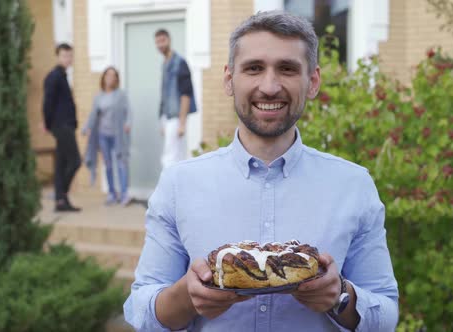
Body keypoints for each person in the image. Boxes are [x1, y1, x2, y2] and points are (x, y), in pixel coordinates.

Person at [124, 11, 399, 331]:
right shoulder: (179, 184)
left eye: (287, 69)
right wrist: (186, 296)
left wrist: (339, 296)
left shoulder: (354, 185)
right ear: (229, 79)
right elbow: (141, 311)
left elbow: (386, 314)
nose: (269, 87)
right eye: (254, 68)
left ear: (312, 82)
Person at [83, 67, 132, 206]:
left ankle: (124, 194)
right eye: (108, 75)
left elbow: (129, 111)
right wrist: (87, 128)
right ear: (103, 78)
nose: (111, 78)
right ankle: (111, 193)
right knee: (108, 165)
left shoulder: (121, 95)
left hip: (118, 135)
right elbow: (93, 115)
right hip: (103, 135)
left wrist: (128, 123)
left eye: (114, 75)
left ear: (117, 79)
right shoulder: (98, 97)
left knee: (121, 163)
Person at [42, 43, 81, 212]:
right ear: (58, 56)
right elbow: (47, 102)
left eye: (70, 56)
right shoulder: (54, 76)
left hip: (66, 125)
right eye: (64, 55)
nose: (68, 59)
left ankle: (61, 202)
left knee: (62, 163)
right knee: (75, 160)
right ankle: (60, 195)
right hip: (61, 125)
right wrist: (48, 123)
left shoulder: (63, 76)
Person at [155, 29, 197, 169]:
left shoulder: (180, 63)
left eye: (162, 40)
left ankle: (167, 190)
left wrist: (182, 123)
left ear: (169, 40)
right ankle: (177, 189)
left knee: (170, 158)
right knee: (176, 157)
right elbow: (164, 94)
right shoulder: (165, 64)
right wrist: (162, 119)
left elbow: (186, 93)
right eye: (157, 42)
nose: (160, 45)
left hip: (176, 118)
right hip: (168, 117)